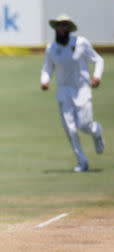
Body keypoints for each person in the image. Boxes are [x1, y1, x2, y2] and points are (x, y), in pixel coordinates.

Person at [41, 14, 104, 172]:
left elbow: (98, 60)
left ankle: (97, 131)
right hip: (64, 91)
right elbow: (48, 68)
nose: (61, 28)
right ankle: (82, 161)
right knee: (70, 129)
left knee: (84, 125)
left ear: (69, 28)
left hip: (82, 89)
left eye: (64, 25)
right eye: (59, 25)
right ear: (55, 28)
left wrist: (96, 76)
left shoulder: (81, 43)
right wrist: (45, 80)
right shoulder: (51, 48)